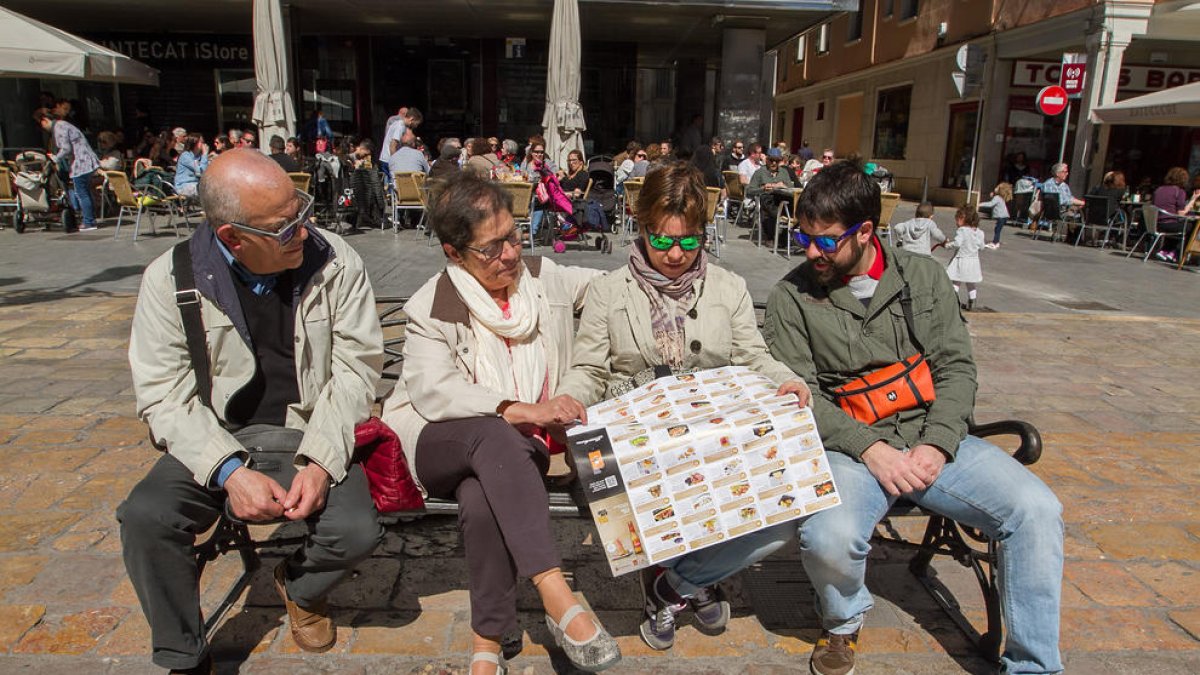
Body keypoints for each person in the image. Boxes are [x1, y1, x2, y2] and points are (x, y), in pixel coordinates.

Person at [762, 160, 1063, 675]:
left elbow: (956, 369)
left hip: (932, 438)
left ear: (865, 231)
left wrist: (937, 444)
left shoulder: (921, 276)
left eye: (827, 241)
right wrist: (871, 449)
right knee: (828, 537)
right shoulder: (792, 297)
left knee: (1037, 511)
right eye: (804, 236)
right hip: (850, 448)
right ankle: (841, 619)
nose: (812, 251)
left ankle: (1033, 666)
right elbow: (802, 395)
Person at [118, 149, 384, 675]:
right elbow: (164, 395)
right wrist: (228, 470)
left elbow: (356, 371)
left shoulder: (337, 261)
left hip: (307, 430)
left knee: (355, 530)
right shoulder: (170, 280)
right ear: (232, 237)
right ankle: (184, 653)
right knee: (146, 518)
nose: (303, 234)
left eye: (302, 213)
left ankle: (301, 587)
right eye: (284, 229)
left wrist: (322, 460)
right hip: (215, 436)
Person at [557, 163, 810, 652]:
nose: (675, 254)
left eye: (689, 242)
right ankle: (681, 583)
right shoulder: (610, 293)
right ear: (641, 226)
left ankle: (677, 584)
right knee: (650, 476)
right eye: (663, 240)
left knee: (778, 497)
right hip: (638, 435)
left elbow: (752, 356)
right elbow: (589, 369)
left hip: (707, 428)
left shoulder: (728, 287)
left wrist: (787, 381)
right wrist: (571, 399)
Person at [381, 174, 620, 675]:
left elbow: (614, 287)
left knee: (480, 497)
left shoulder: (542, 277)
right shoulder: (436, 303)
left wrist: (665, 254)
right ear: (454, 252)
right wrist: (523, 408)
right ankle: (554, 590)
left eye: (513, 237)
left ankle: (486, 640)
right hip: (437, 439)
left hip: (515, 456)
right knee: (492, 430)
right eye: (491, 249)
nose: (509, 255)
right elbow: (434, 391)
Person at [36, 108, 99, 233]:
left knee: (82, 193)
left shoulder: (59, 127)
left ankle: (88, 222)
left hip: (80, 163)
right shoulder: (64, 125)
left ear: (44, 120)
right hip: (86, 161)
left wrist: (55, 158)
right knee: (85, 191)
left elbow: (66, 148)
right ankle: (90, 220)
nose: (42, 127)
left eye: (41, 123)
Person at [1151, 167, 1200, 263]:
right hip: (1169, 224)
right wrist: (1193, 199)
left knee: (1180, 225)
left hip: (1156, 224)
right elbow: (1181, 213)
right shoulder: (1179, 191)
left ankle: (1165, 250)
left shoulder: (1159, 189)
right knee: (1192, 226)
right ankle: (1176, 252)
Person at [746, 147, 795, 241]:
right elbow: (749, 191)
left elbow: (790, 188)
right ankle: (771, 237)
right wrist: (763, 188)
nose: (774, 163)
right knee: (772, 209)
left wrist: (784, 186)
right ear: (767, 160)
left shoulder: (784, 172)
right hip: (766, 198)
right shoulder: (760, 172)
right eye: (771, 160)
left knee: (798, 208)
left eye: (777, 161)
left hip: (783, 198)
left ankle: (784, 238)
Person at [946, 206, 986, 310]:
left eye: (958, 218)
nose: (956, 221)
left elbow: (957, 243)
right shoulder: (980, 233)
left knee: (956, 281)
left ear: (964, 218)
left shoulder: (962, 231)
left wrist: (947, 245)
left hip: (961, 260)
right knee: (970, 283)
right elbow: (982, 247)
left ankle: (953, 302)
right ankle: (972, 303)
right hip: (973, 262)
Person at [173, 133, 209, 198]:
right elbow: (201, 172)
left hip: (195, 184)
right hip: (184, 186)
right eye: (202, 142)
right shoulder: (185, 156)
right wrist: (205, 154)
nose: (204, 145)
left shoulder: (198, 156)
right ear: (195, 143)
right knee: (205, 190)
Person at [982, 182, 1013, 249]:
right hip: (1004, 217)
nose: (995, 188)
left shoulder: (997, 197)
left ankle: (995, 243)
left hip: (1001, 217)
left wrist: (980, 204)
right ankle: (996, 242)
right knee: (997, 229)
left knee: (997, 230)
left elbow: (991, 204)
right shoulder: (1000, 197)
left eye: (997, 187)